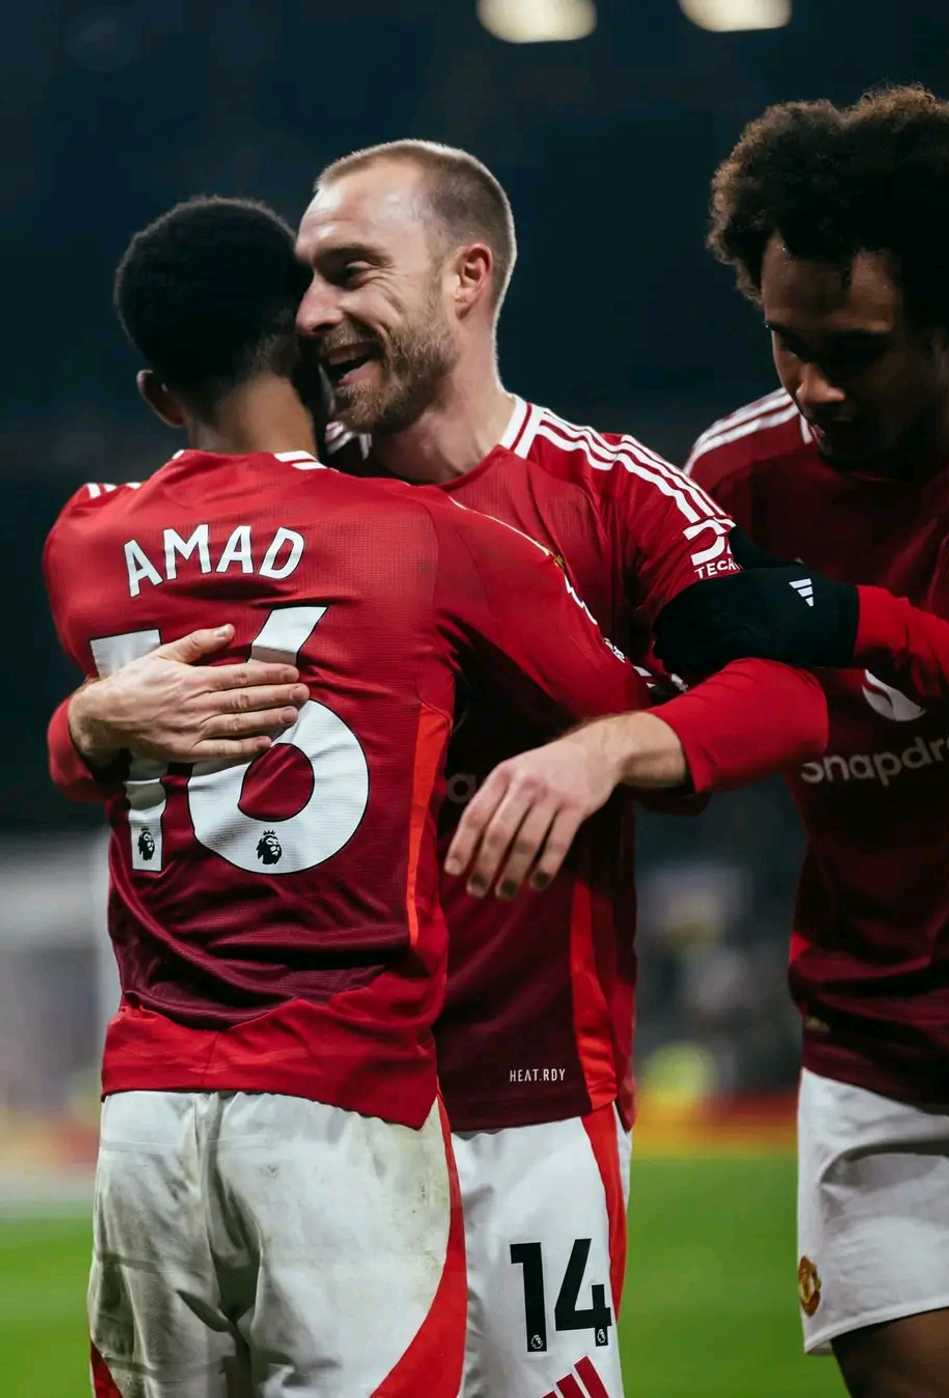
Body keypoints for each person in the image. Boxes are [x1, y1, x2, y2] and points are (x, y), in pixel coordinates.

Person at [49, 142, 851, 1398]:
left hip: (517, 1088)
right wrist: (91, 725)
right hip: (331, 1092)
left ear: (467, 278)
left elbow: (789, 696)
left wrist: (608, 748)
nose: (313, 313)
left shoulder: (610, 491)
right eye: (302, 282)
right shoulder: (316, 504)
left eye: (350, 273)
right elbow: (146, 724)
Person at [677, 86, 949, 1397]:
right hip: (888, 1046)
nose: (810, 384)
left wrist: (868, 625)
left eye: (854, 350)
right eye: (782, 339)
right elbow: (688, 707)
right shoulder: (736, 476)